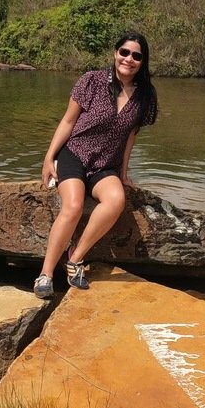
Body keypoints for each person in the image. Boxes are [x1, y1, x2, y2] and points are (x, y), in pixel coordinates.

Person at [34, 31, 159, 298]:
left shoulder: (145, 96)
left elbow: (130, 137)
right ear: (115, 53)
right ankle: (45, 273)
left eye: (136, 56)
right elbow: (68, 121)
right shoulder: (92, 81)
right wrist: (48, 158)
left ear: (142, 62)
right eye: (124, 52)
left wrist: (123, 174)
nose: (129, 59)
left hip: (105, 165)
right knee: (74, 205)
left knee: (116, 200)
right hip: (75, 154)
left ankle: (75, 258)